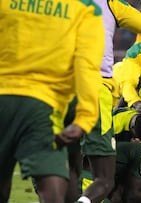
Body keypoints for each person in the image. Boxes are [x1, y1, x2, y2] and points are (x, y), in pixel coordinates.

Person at [0, 1, 104, 202]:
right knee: (53, 188)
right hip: (44, 107)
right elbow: (87, 68)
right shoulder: (86, 9)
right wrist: (84, 119)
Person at [75, 0, 141, 202]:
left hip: (55, 90)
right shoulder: (111, 4)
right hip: (94, 89)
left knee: (64, 167)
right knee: (103, 179)